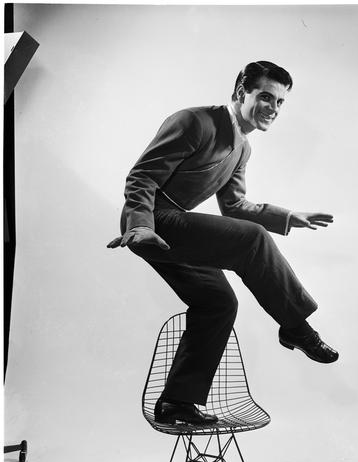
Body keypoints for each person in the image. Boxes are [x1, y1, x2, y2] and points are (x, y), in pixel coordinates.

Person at [107, 60, 338, 425]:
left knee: (219, 302)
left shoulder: (243, 149)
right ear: (241, 92)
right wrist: (140, 225)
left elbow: (234, 206)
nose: (273, 108)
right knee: (252, 239)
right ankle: (297, 328)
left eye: (280, 102)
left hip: (174, 230)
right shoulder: (194, 121)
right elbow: (142, 176)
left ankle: (177, 403)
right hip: (153, 221)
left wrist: (287, 217)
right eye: (266, 97)